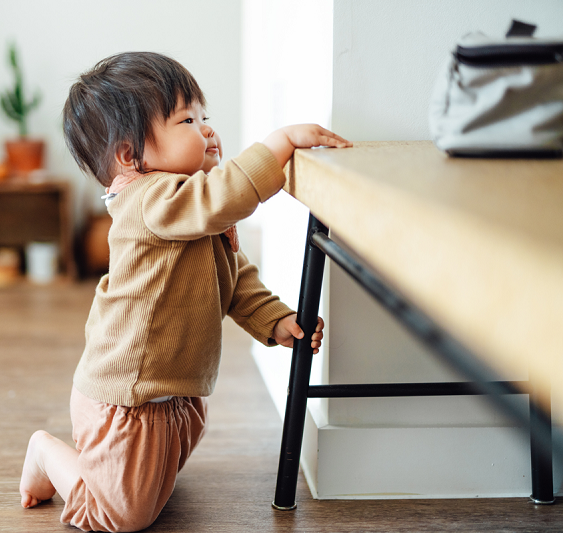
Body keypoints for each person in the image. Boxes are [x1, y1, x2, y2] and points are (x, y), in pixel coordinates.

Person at [20, 51, 351, 532]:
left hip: (172, 394)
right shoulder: (147, 199)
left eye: (205, 117)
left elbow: (232, 275)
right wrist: (277, 145)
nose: (206, 130)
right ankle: (46, 453)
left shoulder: (187, 206)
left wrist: (274, 319)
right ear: (131, 157)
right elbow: (223, 197)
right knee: (120, 515)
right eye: (187, 120)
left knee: (152, 492)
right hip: (125, 398)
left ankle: (130, 475)